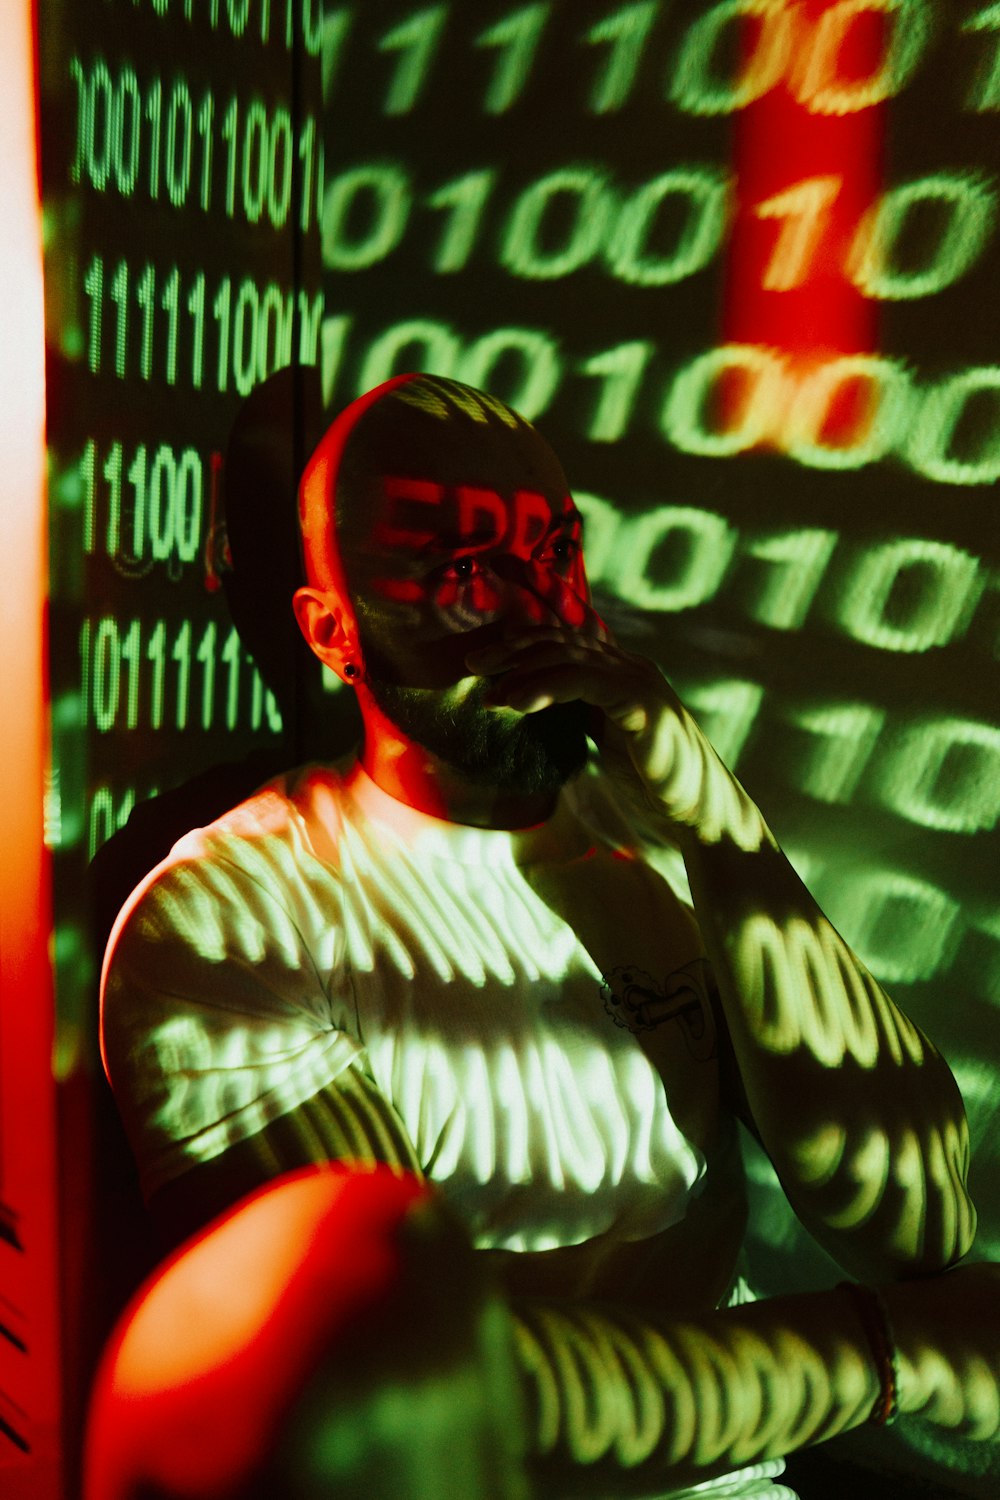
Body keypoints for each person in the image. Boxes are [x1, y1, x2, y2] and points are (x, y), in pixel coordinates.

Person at [99, 372, 999, 1499]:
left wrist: (720, 822)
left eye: (555, 554)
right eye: (467, 573)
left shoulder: (648, 833)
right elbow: (438, 1391)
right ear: (334, 632)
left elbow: (915, 1220)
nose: (538, 613)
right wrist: (885, 1355)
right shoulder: (234, 916)